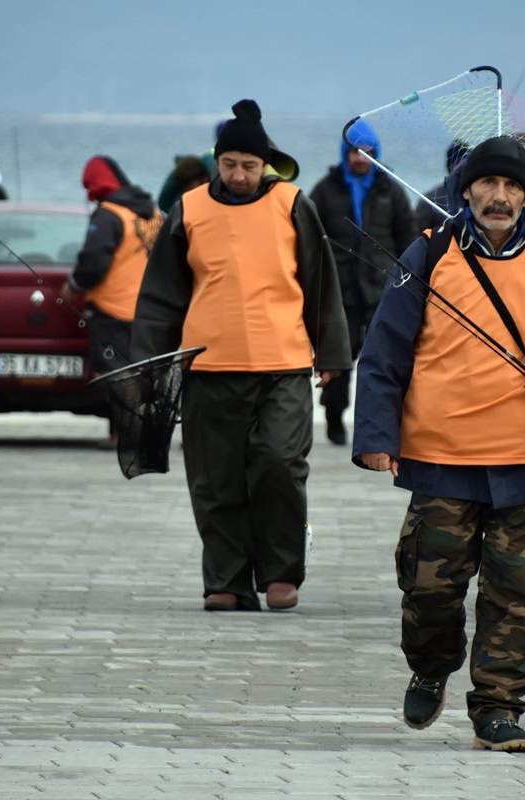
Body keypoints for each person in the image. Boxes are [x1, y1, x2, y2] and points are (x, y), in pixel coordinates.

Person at [352, 136, 525, 752]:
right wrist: (377, 436)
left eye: (512, 186)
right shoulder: (429, 254)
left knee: (516, 593)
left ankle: (498, 706)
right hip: (439, 454)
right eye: (487, 185)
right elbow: (384, 351)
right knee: (430, 589)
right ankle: (431, 666)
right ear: (465, 192)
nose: (499, 196)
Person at [132, 99, 351, 613]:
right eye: (229, 164)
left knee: (279, 463)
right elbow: (162, 294)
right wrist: (149, 360)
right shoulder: (189, 209)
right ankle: (226, 579)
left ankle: (280, 571)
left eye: (249, 166)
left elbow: (321, 285)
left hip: (284, 364)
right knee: (215, 477)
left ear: (266, 164)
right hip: (207, 366)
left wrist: (333, 355)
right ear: (217, 161)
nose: (238, 174)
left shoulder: (294, 204)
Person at [308, 119, 416, 445]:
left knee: (384, 357)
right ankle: (334, 415)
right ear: (345, 153)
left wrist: (408, 282)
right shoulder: (326, 189)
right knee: (340, 357)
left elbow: (408, 240)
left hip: (382, 288)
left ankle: (380, 421)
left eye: (368, 152)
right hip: (340, 289)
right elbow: (311, 237)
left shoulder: (391, 189)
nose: (361, 158)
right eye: (355, 152)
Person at [61, 156, 162, 382]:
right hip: (148, 312)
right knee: (143, 382)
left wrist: (73, 286)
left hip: (112, 313)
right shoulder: (152, 213)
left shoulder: (109, 214)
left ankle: (125, 418)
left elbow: (92, 264)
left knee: (117, 382)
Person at [414, 140, 472, 232]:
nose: (462, 167)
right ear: (452, 165)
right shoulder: (429, 201)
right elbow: (417, 237)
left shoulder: (480, 198)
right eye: (459, 163)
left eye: (467, 162)